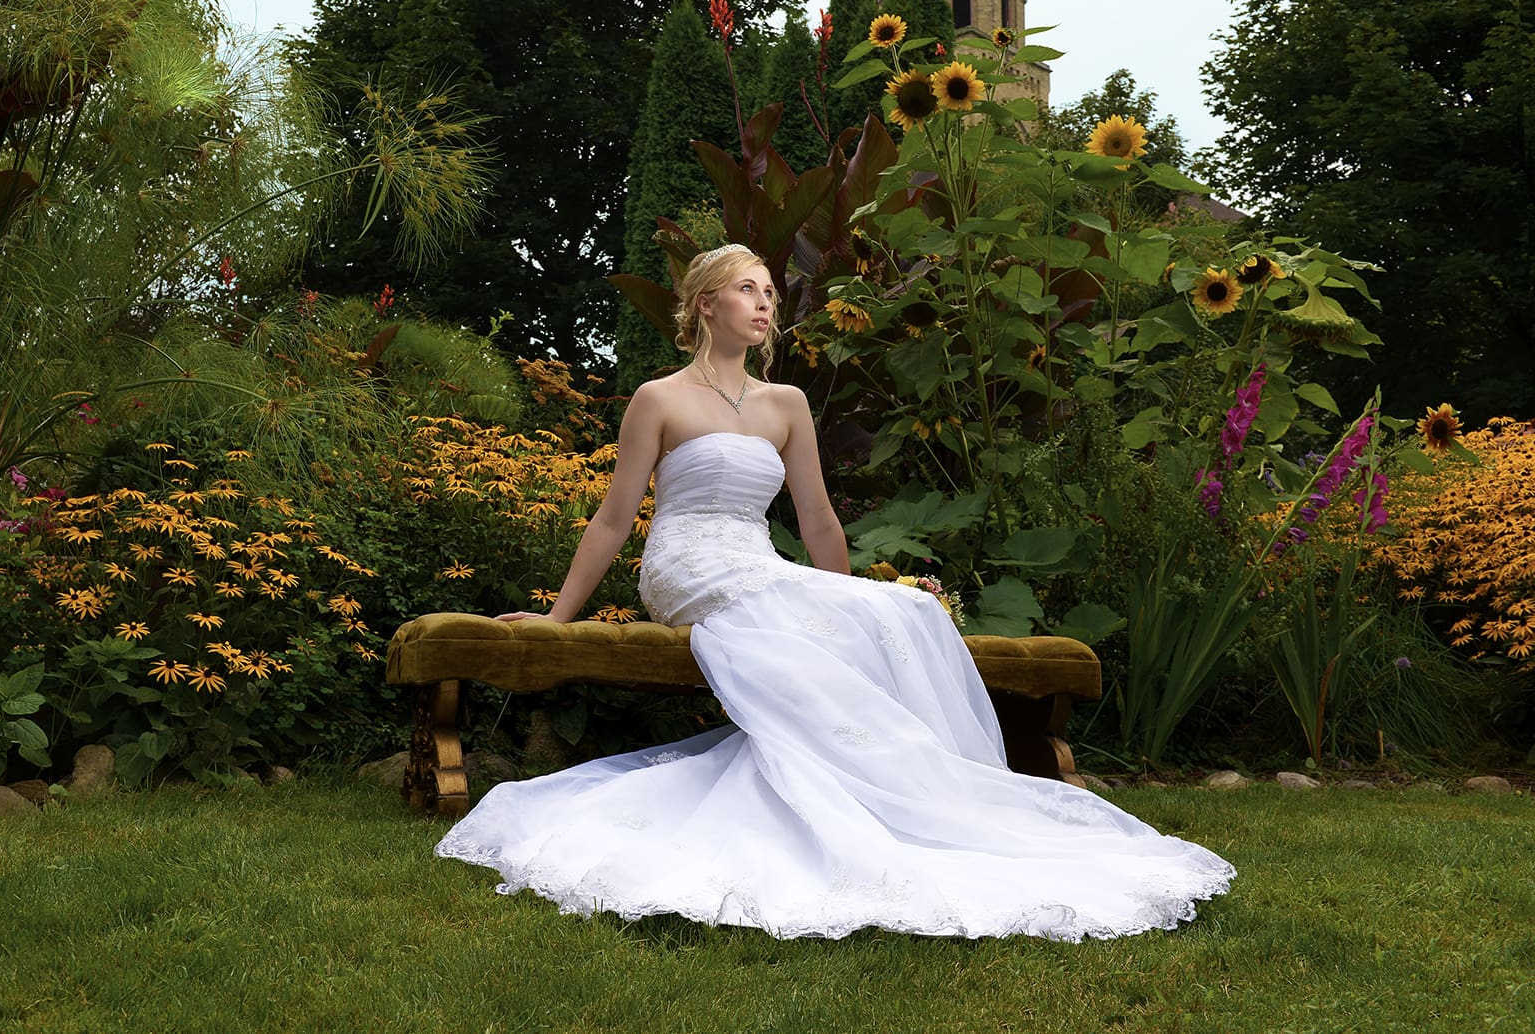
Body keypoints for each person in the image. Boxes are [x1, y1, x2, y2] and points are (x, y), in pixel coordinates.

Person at [437, 244, 1235, 940]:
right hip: (688, 564)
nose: (764, 305)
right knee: (815, 605)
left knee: (909, 607)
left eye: (770, 295)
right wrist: (556, 616)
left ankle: (913, 800)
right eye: (748, 290)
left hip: (762, 566)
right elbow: (615, 519)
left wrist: (842, 604)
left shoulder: (786, 406)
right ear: (706, 303)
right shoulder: (660, 398)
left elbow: (817, 520)